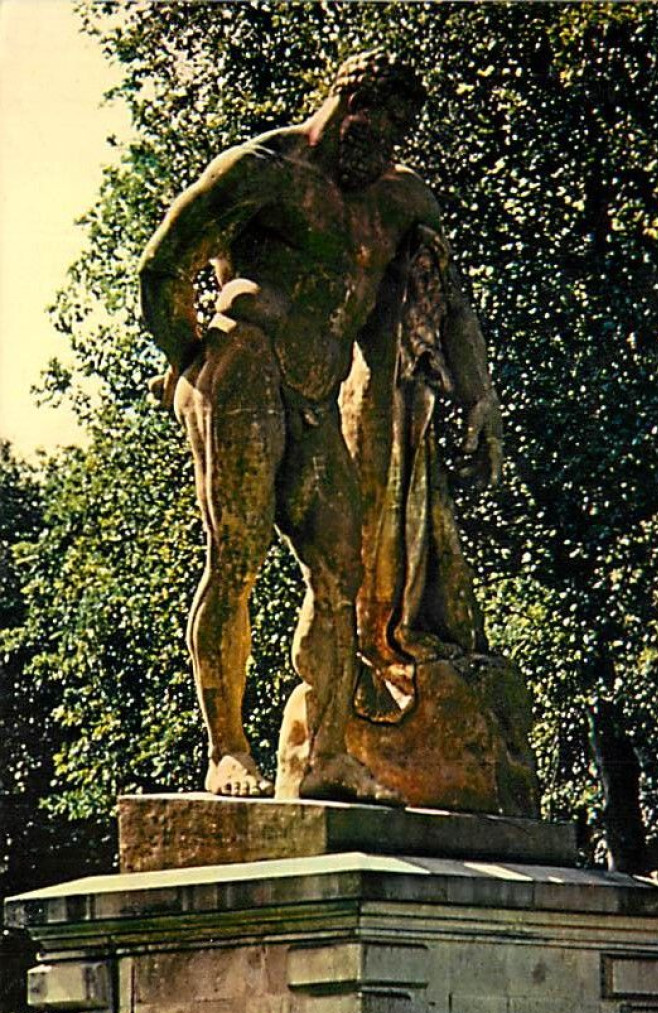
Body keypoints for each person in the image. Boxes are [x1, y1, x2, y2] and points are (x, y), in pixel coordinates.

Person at [139, 50, 502, 801]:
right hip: (245, 365)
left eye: (404, 131)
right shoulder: (263, 169)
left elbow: (451, 304)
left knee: (341, 572)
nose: (390, 144)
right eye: (382, 121)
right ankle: (227, 750)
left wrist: (480, 397)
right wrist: (194, 358)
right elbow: (161, 266)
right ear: (345, 99)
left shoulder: (400, 202)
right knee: (237, 553)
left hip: (317, 393)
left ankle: (326, 754)